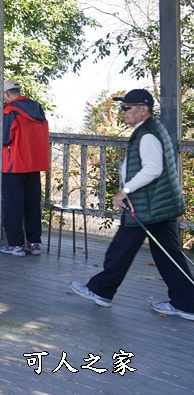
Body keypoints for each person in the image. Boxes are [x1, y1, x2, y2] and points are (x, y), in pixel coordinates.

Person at [71, 89, 194, 321]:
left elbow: (152, 168)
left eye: (128, 107)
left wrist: (124, 191)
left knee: (121, 249)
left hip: (148, 205)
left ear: (143, 109)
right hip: (159, 204)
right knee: (168, 255)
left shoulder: (147, 134)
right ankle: (187, 303)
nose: (123, 112)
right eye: (122, 107)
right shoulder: (151, 129)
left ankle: (101, 291)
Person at [0, 80, 50, 257]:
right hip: (35, 164)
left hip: (13, 165)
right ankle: (34, 243)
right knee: (32, 205)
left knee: (13, 206)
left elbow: (4, 138)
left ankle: (15, 245)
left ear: (7, 94)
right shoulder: (37, 108)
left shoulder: (10, 111)